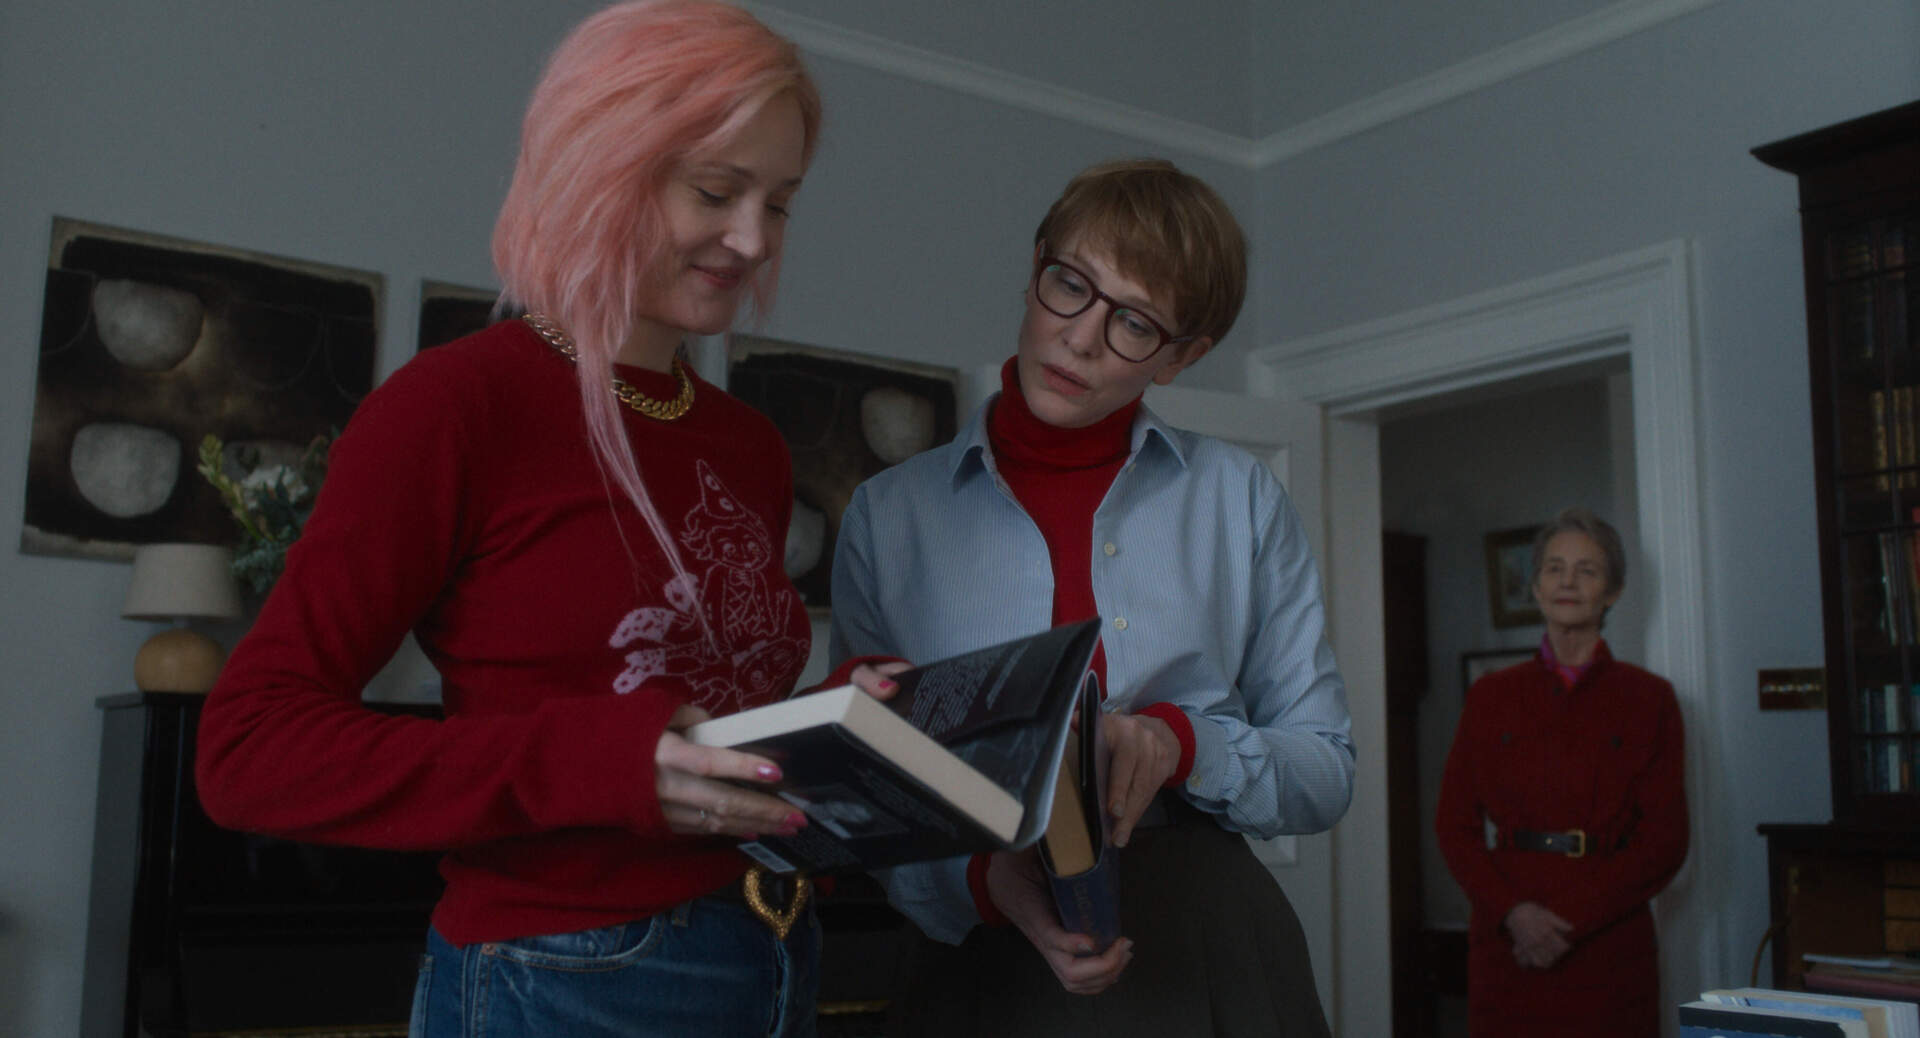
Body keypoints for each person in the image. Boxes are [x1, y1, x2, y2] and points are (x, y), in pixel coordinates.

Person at [194, 4, 888, 1035]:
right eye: (715, 190)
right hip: (559, 979)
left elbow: (699, 722)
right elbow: (248, 750)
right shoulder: (458, 406)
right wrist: (604, 765)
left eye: (778, 203)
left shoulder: (749, 446)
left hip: (772, 957)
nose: (750, 238)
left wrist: (847, 718)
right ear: (604, 163)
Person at [827, 158, 1355, 1037]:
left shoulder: (1240, 499)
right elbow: (873, 797)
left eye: (1136, 324)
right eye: (1070, 285)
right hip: (979, 958)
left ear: (1185, 356)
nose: (1081, 337)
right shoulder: (889, 516)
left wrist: (1185, 745)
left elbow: (1324, 771)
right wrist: (979, 885)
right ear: (1036, 267)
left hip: (1210, 945)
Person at [1434, 507, 1688, 1037]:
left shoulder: (1649, 700)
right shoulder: (1491, 697)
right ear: (1536, 586)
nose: (1567, 581)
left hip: (1609, 948)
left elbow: (1664, 841)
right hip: (1508, 945)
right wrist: (1516, 915)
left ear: (1613, 592)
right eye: (1553, 568)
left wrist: (1568, 923)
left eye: (1586, 570)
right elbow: (1454, 827)